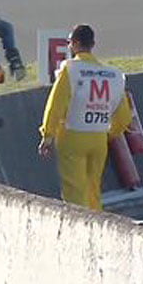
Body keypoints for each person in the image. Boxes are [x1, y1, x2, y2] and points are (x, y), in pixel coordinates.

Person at [38, 24, 132, 211]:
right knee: (93, 189)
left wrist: (47, 135)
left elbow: (55, 105)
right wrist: (110, 132)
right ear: (93, 44)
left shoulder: (71, 70)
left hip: (72, 136)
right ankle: (97, 225)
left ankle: (79, 230)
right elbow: (124, 116)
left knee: (74, 190)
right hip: (99, 139)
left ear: (74, 44)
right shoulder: (114, 75)